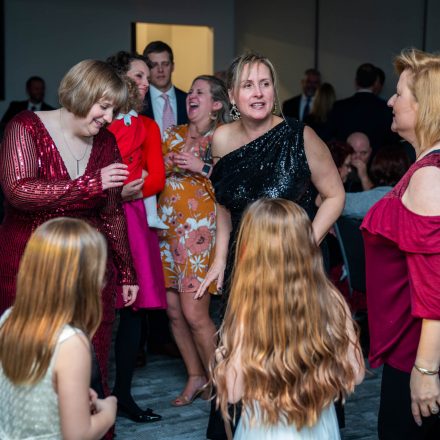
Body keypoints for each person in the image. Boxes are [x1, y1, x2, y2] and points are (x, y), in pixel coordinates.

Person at [195, 52, 345, 439]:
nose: (258, 93)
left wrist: (303, 243)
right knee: (241, 354)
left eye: (265, 84)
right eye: (248, 85)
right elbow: (224, 205)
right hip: (245, 263)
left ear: (274, 91)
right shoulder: (221, 138)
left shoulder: (300, 136)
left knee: (295, 357)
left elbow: (334, 196)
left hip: (295, 267)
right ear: (232, 95)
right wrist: (219, 259)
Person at [0, 59, 138, 405]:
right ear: (82, 93)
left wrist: (126, 271)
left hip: (90, 272)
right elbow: (18, 191)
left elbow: (112, 212)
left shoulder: (106, 142)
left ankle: (87, 423)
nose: (109, 118)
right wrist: (90, 184)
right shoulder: (24, 126)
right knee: (31, 357)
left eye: (114, 111)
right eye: (104, 107)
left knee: (90, 357)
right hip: (30, 264)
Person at [212, 199, 364, 438]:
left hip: (265, 428)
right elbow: (356, 374)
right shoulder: (331, 299)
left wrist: (223, 358)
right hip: (318, 423)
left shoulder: (249, 309)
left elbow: (233, 392)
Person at [361, 48, 440, 439]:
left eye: (399, 93)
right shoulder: (425, 167)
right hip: (411, 349)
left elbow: (435, 285)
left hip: (417, 354)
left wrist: (425, 370)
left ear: (425, 106)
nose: (390, 101)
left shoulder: (431, 176)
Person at [0, 218, 117, 439]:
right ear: (84, 281)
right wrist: (109, 410)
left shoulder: (9, 318)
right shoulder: (71, 343)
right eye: (101, 274)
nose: (103, 283)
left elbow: (24, 387)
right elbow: (78, 435)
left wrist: (68, 394)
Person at [158, 74, 230, 407]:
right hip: (166, 232)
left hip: (200, 235)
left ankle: (223, 382)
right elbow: (151, 175)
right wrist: (163, 164)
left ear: (215, 104)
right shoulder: (171, 135)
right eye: (191, 91)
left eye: (200, 92)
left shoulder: (223, 137)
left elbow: (233, 183)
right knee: (174, 312)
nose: (191, 95)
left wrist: (201, 167)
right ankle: (195, 375)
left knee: (194, 313)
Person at [106, 51, 165, 423]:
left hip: (134, 219)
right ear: (120, 79)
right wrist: (114, 191)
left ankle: (123, 394)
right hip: (99, 216)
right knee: (97, 307)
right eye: (139, 76)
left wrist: (128, 191)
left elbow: (157, 177)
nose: (147, 82)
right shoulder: (98, 121)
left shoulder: (148, 126)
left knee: (132, 312)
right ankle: (91, 395)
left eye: (148, 76)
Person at [327, 63, 398, 151]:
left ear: (356, 81)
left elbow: (328, 137)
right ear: (376, 83)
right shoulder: (386, 108)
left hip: (346, 158)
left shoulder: (339, 107)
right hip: (377, 159)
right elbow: (393, 142)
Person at [343, 144, 410, 218]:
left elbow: (340, 202)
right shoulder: (410, 196)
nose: (358, 158)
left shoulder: (384, 197)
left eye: (363, 153)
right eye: (354, 153)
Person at [142, 40, 188, 136]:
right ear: (146, 68)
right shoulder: (138, 102)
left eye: (165, 64)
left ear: (172, 66)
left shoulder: (187, 100)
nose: (160, 70)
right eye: (154, 65)